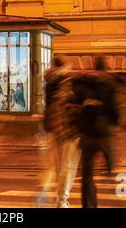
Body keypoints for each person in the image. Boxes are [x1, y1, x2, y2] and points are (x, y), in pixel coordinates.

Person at [70, 56, 120, 208]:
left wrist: (77, 128)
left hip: (86, 133)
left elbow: (75, 106)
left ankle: (88, 205)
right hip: (103, 132)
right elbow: (115, 109)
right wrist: (115, 124)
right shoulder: (110, 83)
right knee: (109, 154)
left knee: (87, 176)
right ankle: (110, 167)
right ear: (105, 67)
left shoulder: (83, 82)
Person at [38, 57, 80, 208]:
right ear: (65, 66)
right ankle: (62, 199)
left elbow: (47, 106)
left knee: (57, 164)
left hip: (53, 127)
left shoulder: (49, 82)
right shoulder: (68, 80)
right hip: (68, 128)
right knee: (68, 165)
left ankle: (59, 194)